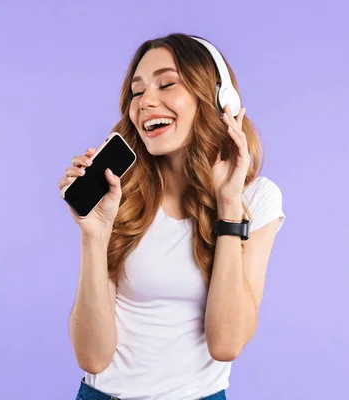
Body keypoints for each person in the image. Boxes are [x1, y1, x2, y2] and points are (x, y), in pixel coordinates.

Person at [58, 33, 286, 400]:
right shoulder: (120, 194)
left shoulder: (256, 199)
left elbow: (226, 344)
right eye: (137, 91)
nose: (146, 101)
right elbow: (92, 357)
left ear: (219, 100)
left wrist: (228, 206)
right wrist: (94, 235)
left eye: (166, 84)